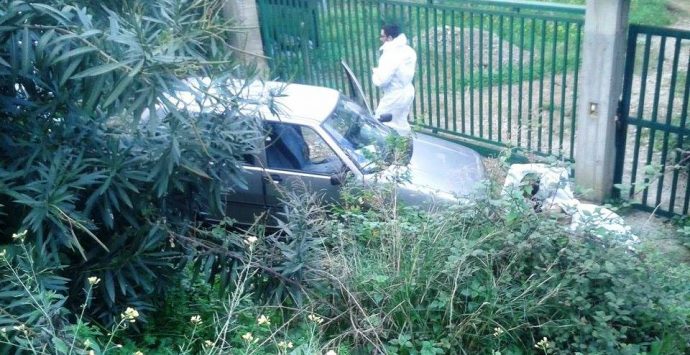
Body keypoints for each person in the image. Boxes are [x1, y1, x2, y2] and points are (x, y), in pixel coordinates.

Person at [372, 23, 417, 136]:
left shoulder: (390, 55)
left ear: (390, 38)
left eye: (382, 36)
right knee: (400, 122)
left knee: (381, 121)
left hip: (394, 95)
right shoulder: (409, 51)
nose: (380, 38)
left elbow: (382, 80)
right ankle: (405, 146)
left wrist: (375, 74)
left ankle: (388, 149)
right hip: (408, 92)